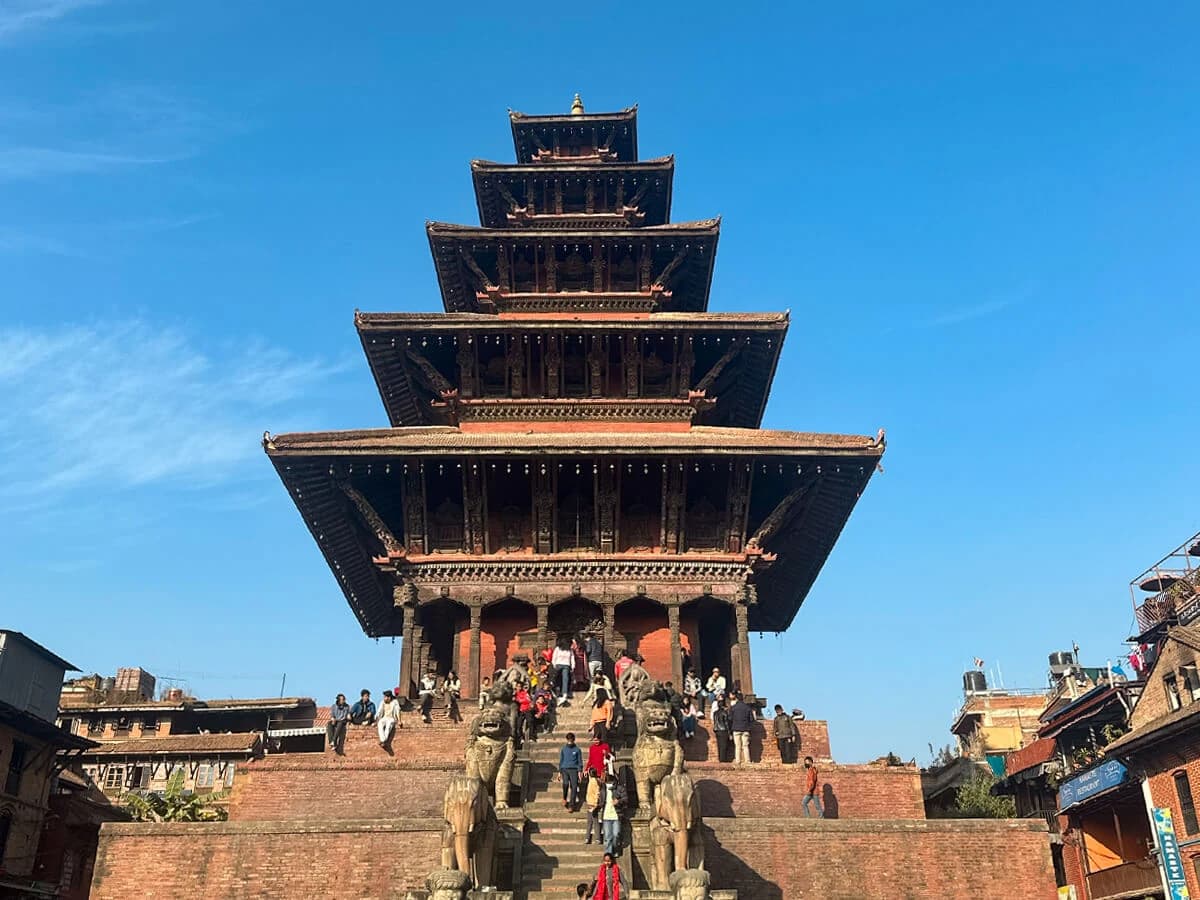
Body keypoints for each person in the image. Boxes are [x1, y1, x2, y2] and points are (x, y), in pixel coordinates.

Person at [598, 774, 626, 856]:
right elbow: (600, 801)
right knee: (607, 836)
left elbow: (625, 798)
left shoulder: (620, 789)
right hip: (606, 815)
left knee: (616, 834)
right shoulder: (603, 789)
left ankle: (615, 849)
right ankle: (609, 854)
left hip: (616, 815)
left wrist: (619, 801)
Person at [559, 732, 583, 810]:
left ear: (573, 740)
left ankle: (571, 805)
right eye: (568, 740)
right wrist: (560, 772)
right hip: (565, 769)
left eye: (571, 740)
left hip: (574, 770)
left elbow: (580, 761)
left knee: (574, 786)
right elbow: (561, 760)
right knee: (565, 784)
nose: (570, 742)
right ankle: (564, 797)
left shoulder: (577, 750)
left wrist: (580, 771)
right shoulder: (564, 749)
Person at [730, 691, 753, 765]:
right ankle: (747, 761)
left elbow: (730, 718)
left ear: (736, 698)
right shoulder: (748, 708)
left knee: (737, 746)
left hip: (736, 728)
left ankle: (738, 761)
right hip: (745, 728)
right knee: (745, 746)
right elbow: (751, 719)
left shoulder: (733, 708)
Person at [552, 639, 574, 705]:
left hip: (566, 665)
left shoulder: (570, 650)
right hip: (558, 665)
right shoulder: (558, 648)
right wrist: (554, 664)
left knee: (565, 679)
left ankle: (564, 694)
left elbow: (572, 658)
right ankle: (555, 691)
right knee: (555, 678)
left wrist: (573, 666)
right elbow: (554, 656)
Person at [711, 697, 732, 763]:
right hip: (723, 730)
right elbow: (726, 723)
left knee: (719, 745)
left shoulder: (715, 713)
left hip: (717, 730)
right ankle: (723, 759)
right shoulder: (724, 712)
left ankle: (720, 758)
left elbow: (715, 722)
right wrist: (729, 733)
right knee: (724, 746)